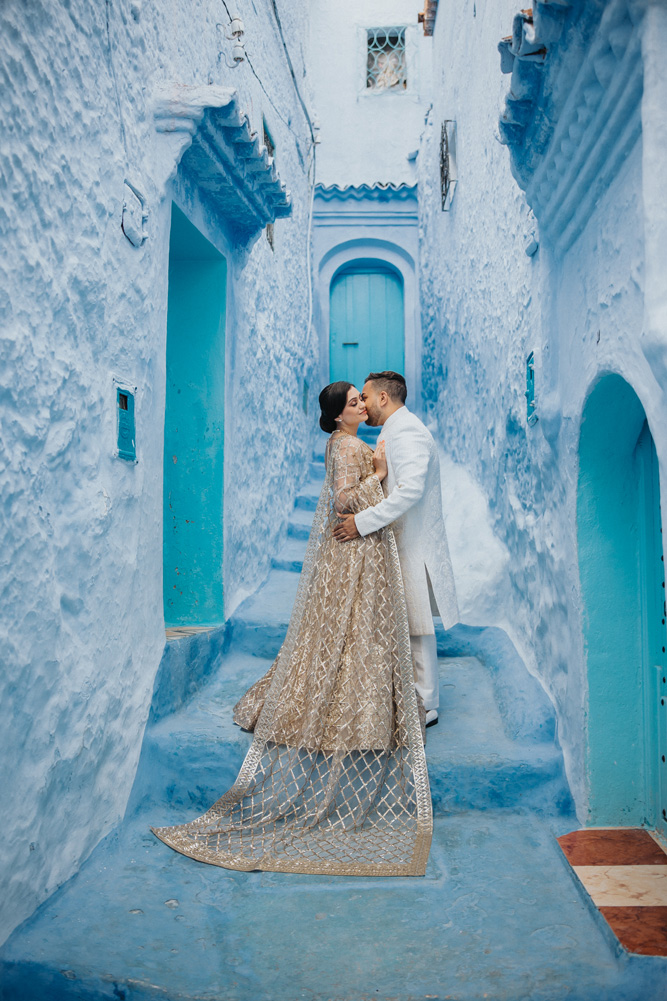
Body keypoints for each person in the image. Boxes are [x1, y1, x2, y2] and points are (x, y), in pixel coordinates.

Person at [152, 382, 432, 877]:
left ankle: (361, 704)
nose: (361, 404)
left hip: (361, 548)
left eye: (362, 398)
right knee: (349, 632)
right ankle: (346, 713)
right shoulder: (345, 445)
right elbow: (345, 501)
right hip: (352, 552)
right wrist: (382, 474)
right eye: (353, 402)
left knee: (356, 635)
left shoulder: (347, 441)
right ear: (339, 415)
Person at [333, 372, 459, 730]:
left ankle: (428, 704)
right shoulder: (394, 429)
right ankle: (414, 696)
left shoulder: (409, 432)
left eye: (367, 398)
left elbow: (409, 491)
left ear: (384, 398)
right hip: (398, 541)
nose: (364, 405)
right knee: (408, 624)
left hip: (412, 543)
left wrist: (361, 522)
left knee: (418, 627)